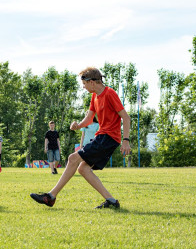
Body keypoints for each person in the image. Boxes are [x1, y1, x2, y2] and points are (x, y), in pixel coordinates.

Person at [30, 67, 131, 209]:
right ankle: (111, 201)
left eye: (84, 84)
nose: (83, 87)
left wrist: (126, 141)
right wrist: (78, 126)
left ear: (92, 82)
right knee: (83, 169)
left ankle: (50, 196)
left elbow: (126, 118)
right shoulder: (94, 96)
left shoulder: (109, 93)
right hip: (103, 137)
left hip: (108, 137)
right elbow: (89, 118)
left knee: (73, 158)